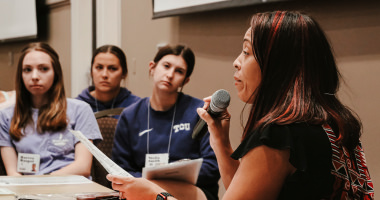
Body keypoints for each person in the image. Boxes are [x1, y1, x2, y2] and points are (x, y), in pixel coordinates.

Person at [107, 11, 374, 200]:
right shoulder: (335, 121)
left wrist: (156, 195)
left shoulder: (280, 132)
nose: (237, 62)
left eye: (246, 52)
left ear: (276, 66)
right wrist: (221, 143)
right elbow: (247, 192)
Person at [111, 44, 220, 200]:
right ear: (152, 67)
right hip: (141, 191)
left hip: (192, 191)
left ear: (185, 80)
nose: (170, 75)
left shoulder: (200, 112)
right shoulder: (130, 116)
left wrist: (152, 184)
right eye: (166, 66)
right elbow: (120, 169)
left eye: (179, 71)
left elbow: (212, 167)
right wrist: (147, 184)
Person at [0, 42, 102, 177]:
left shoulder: (80, 110)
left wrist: (43, 182)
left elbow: (82, 167)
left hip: (71, 188)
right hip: (27, 191)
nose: (34, 76)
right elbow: (13, 173)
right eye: (27, 70)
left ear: (56, 73)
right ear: (21, 75)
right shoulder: (6, 116)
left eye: (43, 69)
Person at [76, 45, 140, 118]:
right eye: (99, 68)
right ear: (91, 72)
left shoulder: (137, 106)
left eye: (112, 69)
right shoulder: (77, 106)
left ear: (124, 73)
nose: (104, 75)